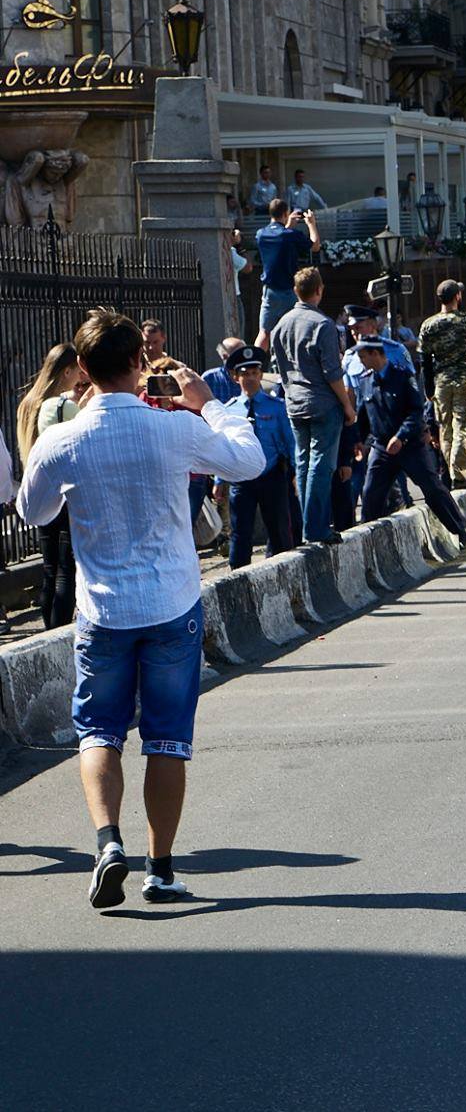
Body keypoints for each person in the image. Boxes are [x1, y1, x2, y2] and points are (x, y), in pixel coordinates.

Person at [17, 309, 265, 909]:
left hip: (102, 610)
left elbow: (34, 513)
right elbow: (248, 462)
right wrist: (208, 402)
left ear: (81, 370)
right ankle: (160, 867)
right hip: (171, 603)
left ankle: (107, 843)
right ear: (140, 365)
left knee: (99, 732)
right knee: (167, 740)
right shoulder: (173, 427)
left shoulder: (63, 439)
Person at [269, 266, 357, 545]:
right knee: (321, 465)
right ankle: (316, 528)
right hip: (322, 402)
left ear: (296, 291)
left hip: (294, 402)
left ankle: (309, 527)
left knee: (304, 463)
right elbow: (332, 372)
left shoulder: (281, 324)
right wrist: (347, 406)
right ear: (319, 290)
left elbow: (281, 370)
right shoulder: (323, 324)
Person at [355, 335, 466, 540]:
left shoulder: (403, 377)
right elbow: (363, 416)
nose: (360, 360)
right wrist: (359, 442)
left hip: (410, 446)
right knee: (371, 493)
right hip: (382, 448)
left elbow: (416, 412)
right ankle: (367, 541)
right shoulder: (365, 382)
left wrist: (401, 436)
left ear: (376, 354)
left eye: (363, 356)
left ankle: (460, 530)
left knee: (432, 489)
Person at [15, 343, 88, 628]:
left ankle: (49, 629)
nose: (79, 379)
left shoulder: (27, 403)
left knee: (49, 568)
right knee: (66, 569)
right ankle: (60, 631)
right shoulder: (59, 405)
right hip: (63, 491)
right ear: (66, 370)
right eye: (76, 372)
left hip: (37, 488)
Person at [220, 345, 298, 568]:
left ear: (261, 375)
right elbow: (224, 445)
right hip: (241, 478)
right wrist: (219, 480)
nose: (250, 378)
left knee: (278, 530)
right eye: (244, 374)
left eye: (254, 373)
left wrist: (295, 474)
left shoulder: (277, 407)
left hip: (270, 475)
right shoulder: (230, 409)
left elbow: (290, 442)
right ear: (236, 378)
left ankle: (281, 571)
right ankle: (238, 575)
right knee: (240, 532)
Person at [417, 281, 466, 489]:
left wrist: (428, 389)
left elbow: (424, 360)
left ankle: (452, 472)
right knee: (464, 427)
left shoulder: (429, 324)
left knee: (446, 429)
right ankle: (459, 476)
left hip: (442, 383)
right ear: (458, 297)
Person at [252, 197, 320, 333]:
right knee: (294, 332)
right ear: (285, 214)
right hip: (289, 291)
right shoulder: (290, 235)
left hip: (269, 291)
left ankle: (254, 355)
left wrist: (287, 226)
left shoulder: (260, 234)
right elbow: (315, 246)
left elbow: (279, 237)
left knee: (264, 333)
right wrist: (311, 224)